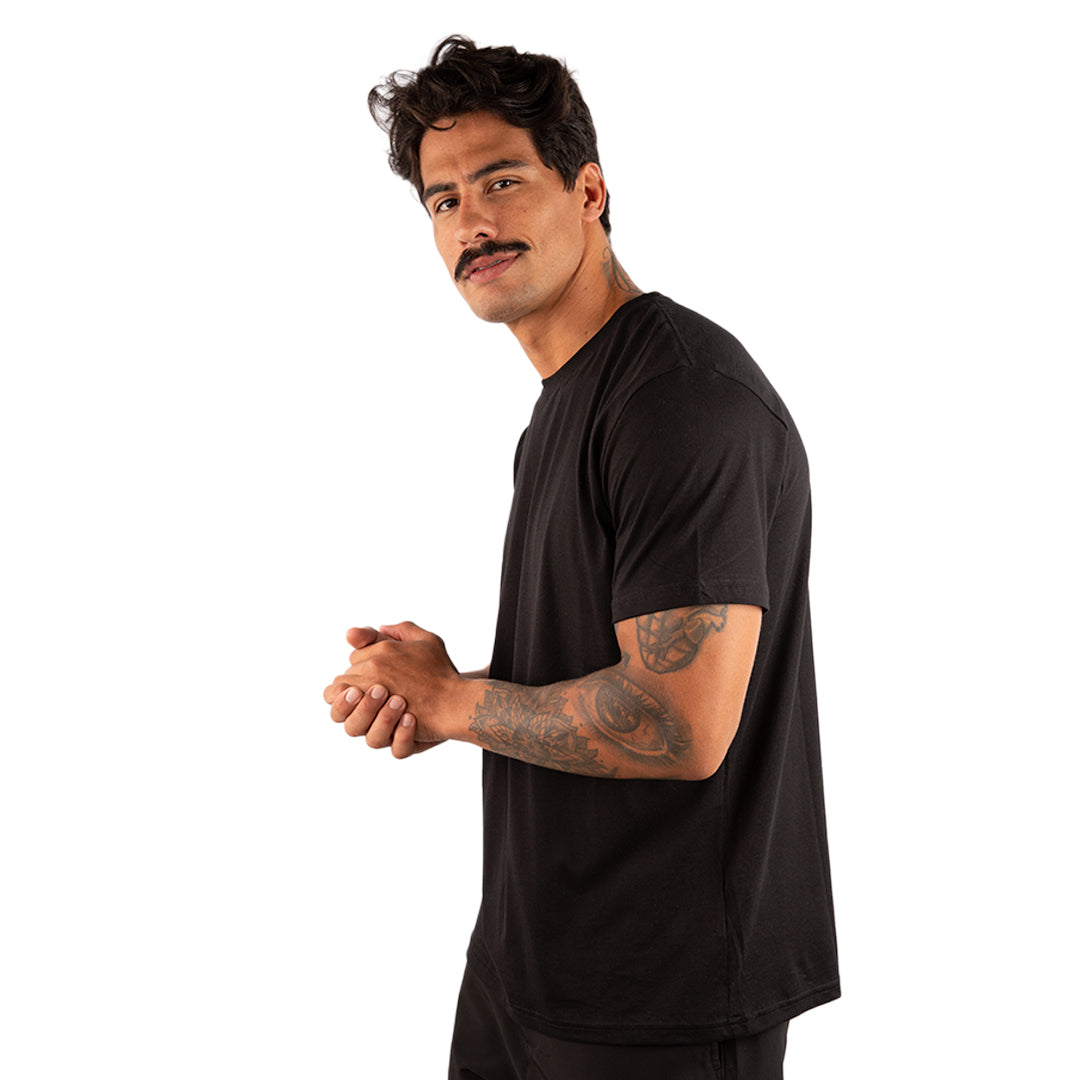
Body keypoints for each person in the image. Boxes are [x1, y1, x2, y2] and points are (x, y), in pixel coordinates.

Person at [324, 35, 839, 1079]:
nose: (471, 221)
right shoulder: (566, 406)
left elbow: (681, 719)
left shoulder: (679, 398)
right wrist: (440, 690)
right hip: (529, 963)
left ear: (589, 191)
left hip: (660, 1001)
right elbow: (607, 670)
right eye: (443, 200)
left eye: (501, 180)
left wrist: (456, 703)